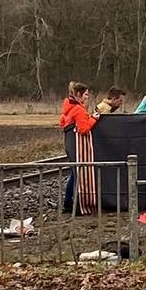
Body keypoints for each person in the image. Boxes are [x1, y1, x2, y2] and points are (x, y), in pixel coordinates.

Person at [59, 81, 98, 213]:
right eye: (86, 94)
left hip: (69, 143)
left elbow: (61, 123)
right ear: (79, 95)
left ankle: (68, 202)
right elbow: (83, 129)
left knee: (74, 172)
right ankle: (73, 203)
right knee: (78, 174)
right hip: (77, 144)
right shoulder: (79, 110)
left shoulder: (68, 108)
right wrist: (94, 119)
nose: (87, 97)